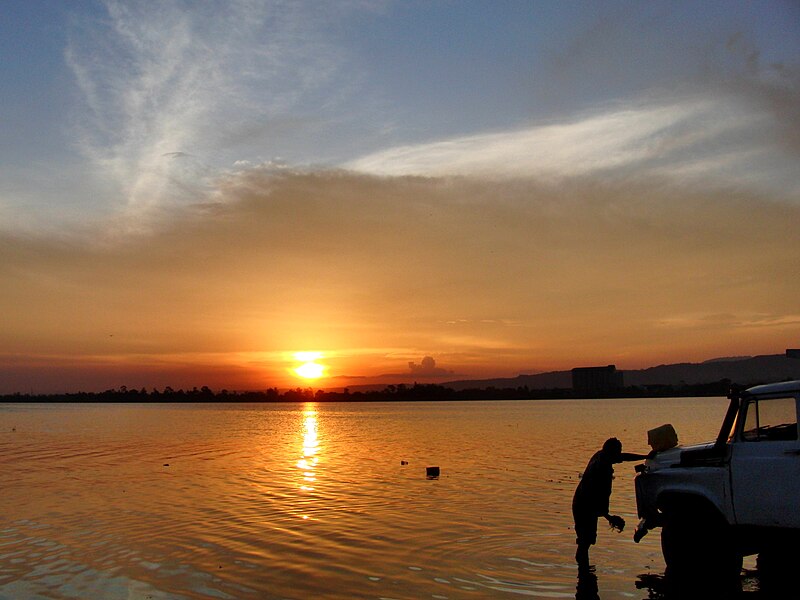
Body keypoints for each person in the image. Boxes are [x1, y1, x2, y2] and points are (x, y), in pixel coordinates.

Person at [572, 437, 648, 568]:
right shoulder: (600, 468)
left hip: (584, 503)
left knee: (587, 541)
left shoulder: (602, 455)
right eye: (617, 453)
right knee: (585, 541)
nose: (619, 456)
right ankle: (584, 572)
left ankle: (584, 572)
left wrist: (646, 456)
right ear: (611, 453)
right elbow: (594, 496)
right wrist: (609, 517)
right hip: (583, 505)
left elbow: (624, 457)